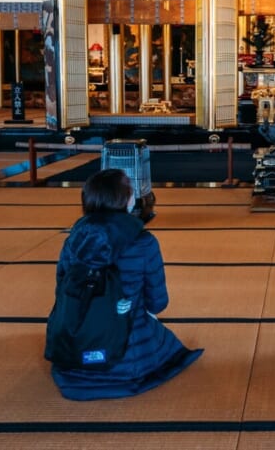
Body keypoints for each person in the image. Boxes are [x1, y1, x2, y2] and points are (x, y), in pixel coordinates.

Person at [48, 168, 202, 400]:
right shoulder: (144, 242)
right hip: (129, 361)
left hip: (74, 350)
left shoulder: (74, 240)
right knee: (148, 326)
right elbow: (158, 303)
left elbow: (62, 289)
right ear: (127, 201)